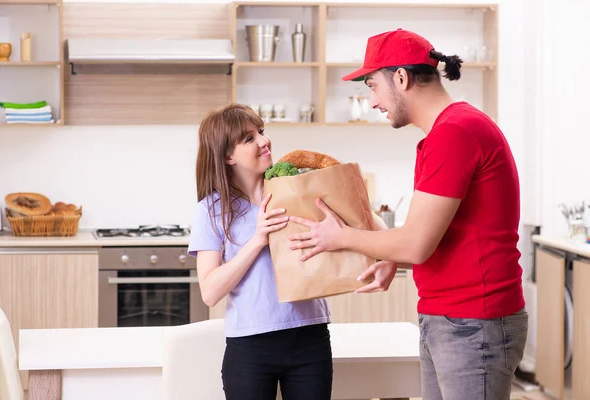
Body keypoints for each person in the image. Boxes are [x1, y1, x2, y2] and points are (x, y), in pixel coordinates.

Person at [287, 29, 528, 400]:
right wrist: (390, 256)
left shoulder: (455, 133)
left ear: (401, 78)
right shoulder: (446, 133)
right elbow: (434, 238)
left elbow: (415, 244)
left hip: (472, 323)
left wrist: (339, 237)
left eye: (372, 86)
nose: (372, 102)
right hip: (453, 319)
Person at [187, 103, 333, 400]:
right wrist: (257, 239)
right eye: (248, 138)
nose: (264, 141)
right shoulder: (212, 211)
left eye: (261, 132)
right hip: (250, 346)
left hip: (310, 336)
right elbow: (210, 292)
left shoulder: (298, 189)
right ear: (228, 156)